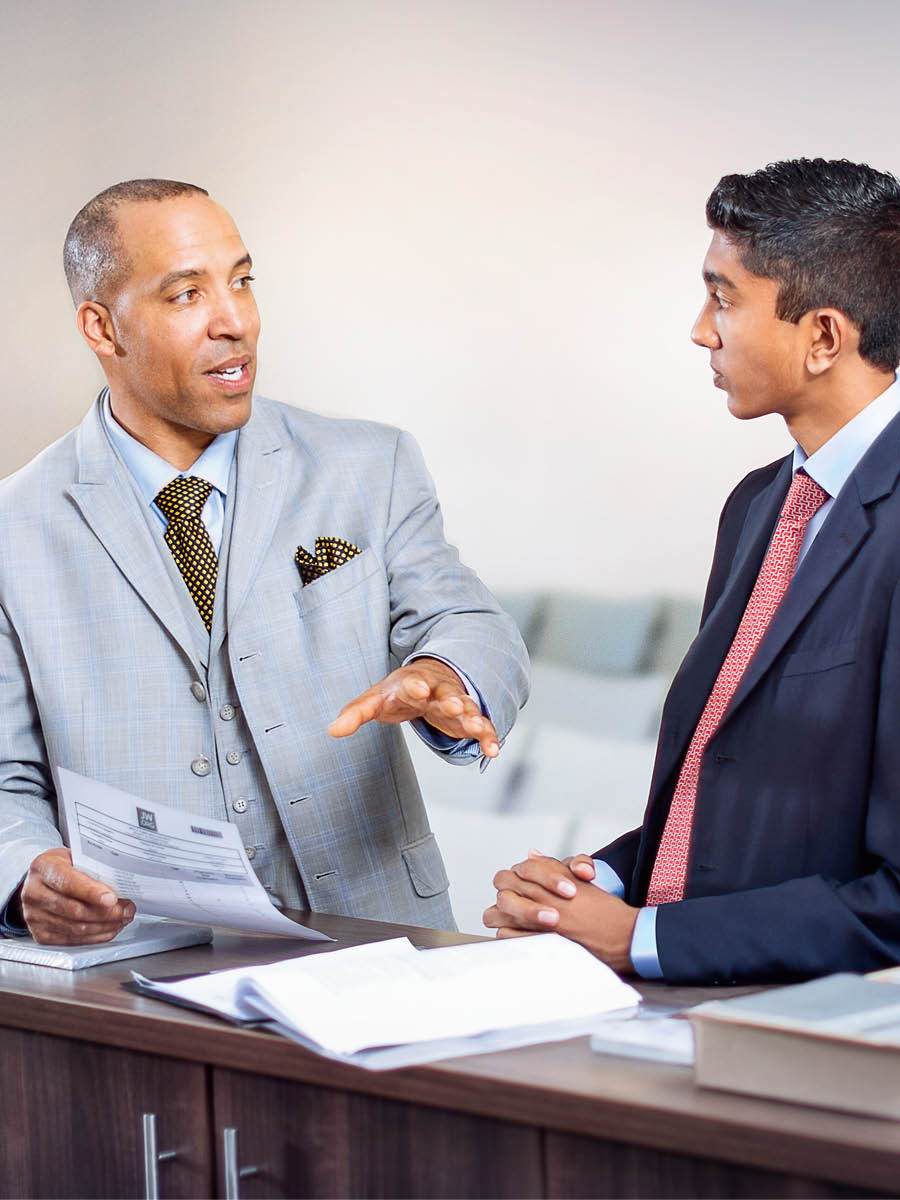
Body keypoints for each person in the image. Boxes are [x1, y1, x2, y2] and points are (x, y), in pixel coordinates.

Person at [0, 179, 529, 945]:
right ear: (102, 328)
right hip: (142, 969)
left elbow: (465, 616)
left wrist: (448, 672)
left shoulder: (369, 465)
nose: (235, 322)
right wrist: (25, 873)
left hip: (379, 939)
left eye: (242, 282)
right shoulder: (14, 528)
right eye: (186, 295)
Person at [485, 158, 900, 984]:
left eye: (723, 296)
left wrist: (638, 939)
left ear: (822, 336)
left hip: (803, 1039)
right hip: (690, 999)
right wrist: (597, 884)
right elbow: (733, 795)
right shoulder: (760, 505)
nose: (701, 329)